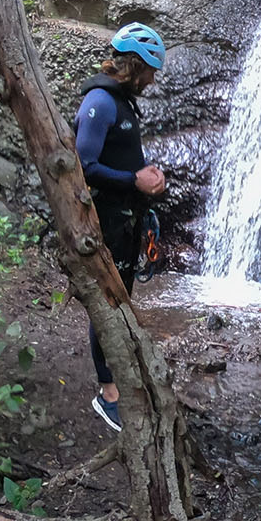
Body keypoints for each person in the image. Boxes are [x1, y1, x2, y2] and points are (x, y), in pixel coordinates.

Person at [74, 22, 169, 431]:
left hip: (127, 219)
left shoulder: (124, 102)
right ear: (137, 64)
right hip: (106, 221)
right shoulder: (100, 102)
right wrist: (133, 180)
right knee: (110, 303)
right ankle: (107, 393)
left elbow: (122, 156)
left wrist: (146, 176)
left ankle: (121, 380)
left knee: (121, 299)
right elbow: (82, 165)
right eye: (150, 70)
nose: (153, 79)